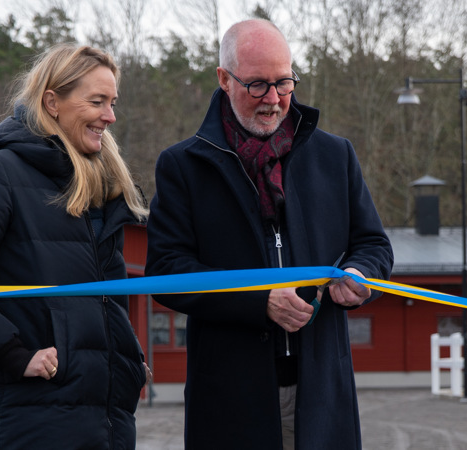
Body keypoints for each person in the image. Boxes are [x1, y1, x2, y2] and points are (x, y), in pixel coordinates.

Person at [145, 19, 394, 450]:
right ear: (224, 79)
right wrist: (258, 301)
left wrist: (360, 275)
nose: (274, 99)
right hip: (230, 400)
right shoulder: (182, 166)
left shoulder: (335, 155)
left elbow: (374, 245)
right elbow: (167, 271)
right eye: (257, 85)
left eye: (284, 82)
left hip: (323, 395)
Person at [0, 44, 151, 450]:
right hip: (31, 416)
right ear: (52, 102)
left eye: (113, 103)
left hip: (108, 420)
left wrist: (127, 358)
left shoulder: (103, 187)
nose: (110, 116)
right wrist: (15, 353)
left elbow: (107, 300)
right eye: (97, 102)